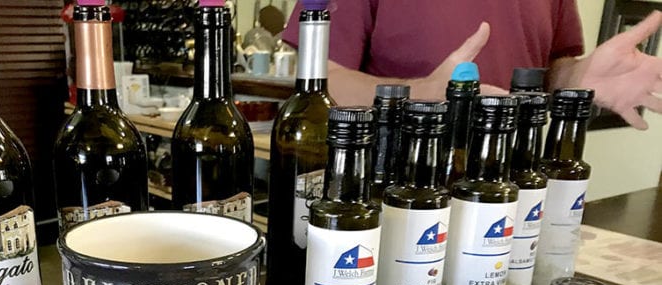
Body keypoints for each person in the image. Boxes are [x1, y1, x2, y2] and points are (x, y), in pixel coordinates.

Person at [282, 0, 662, 129]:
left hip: (509, 191)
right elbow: (320, 82)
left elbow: (548, 71)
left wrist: (580, 76)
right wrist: (426, 94)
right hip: (392, 193)